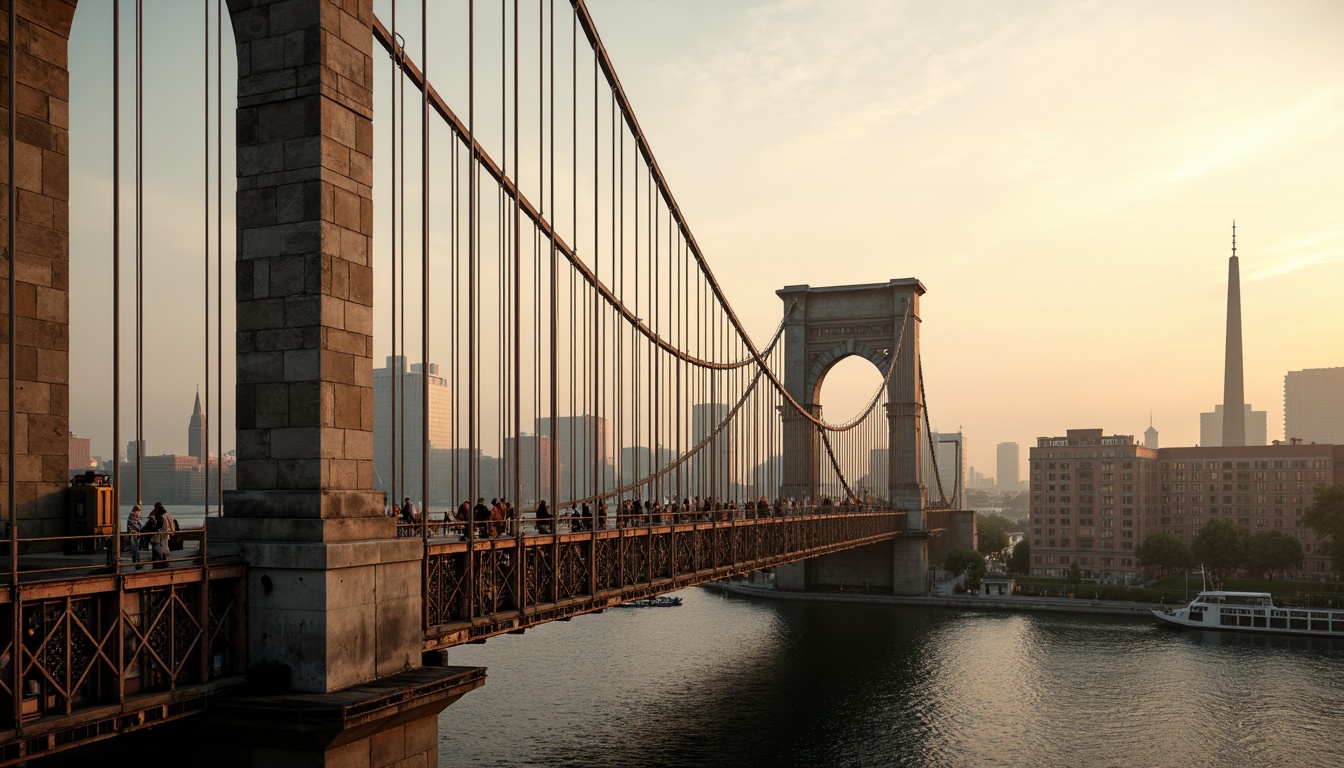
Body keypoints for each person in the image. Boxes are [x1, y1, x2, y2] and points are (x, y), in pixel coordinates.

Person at [142, 502, 176, 569]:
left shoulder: (161, 516)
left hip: (160, 536)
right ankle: (165, 563)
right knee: (165, 549)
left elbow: (158, 526)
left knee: (158, 550)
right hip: (166, 534)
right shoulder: (168, 515)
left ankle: (158, 565)